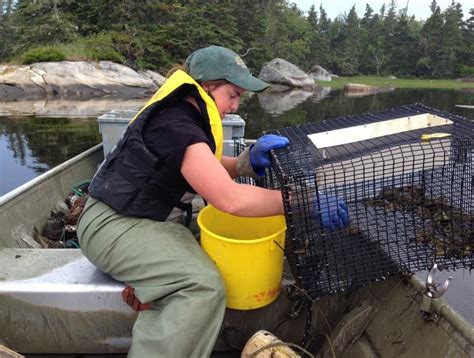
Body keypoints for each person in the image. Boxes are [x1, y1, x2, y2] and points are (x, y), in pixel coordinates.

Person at [77, 45, 348, 357]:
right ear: (207, 87)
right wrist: (304, 202)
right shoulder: (175, 123)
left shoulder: (186, 116)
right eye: (232, 94)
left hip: (146, 222)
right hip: (112, 226)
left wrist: (248, 161)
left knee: (216, 263)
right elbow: (229, 199)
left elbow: (207, 166)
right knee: (203, 285)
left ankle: (156, 300)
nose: (234, 106)